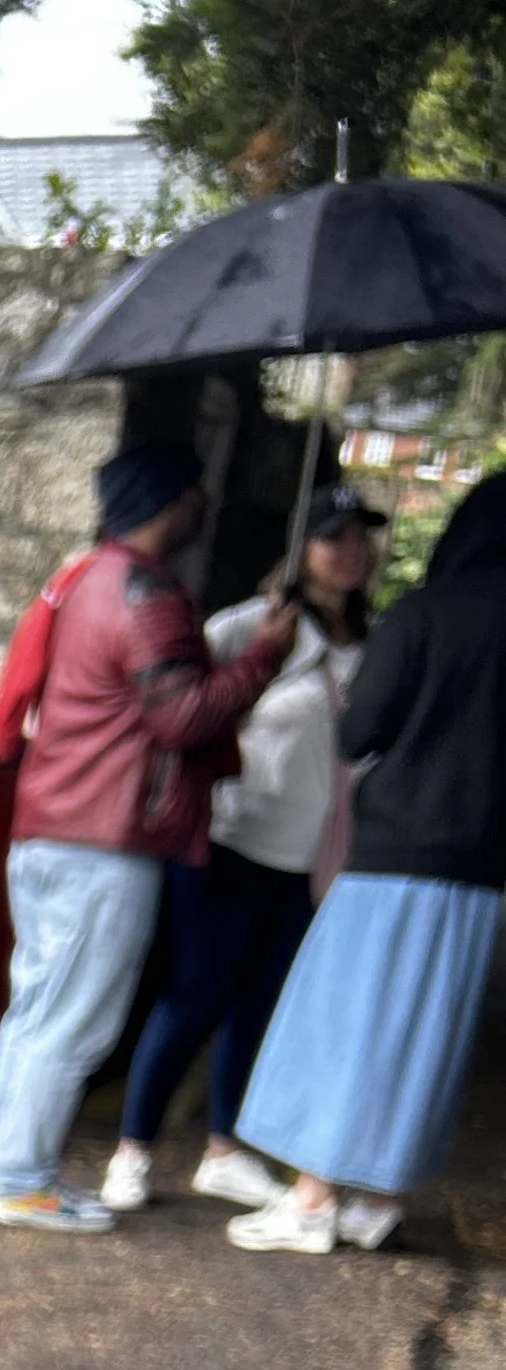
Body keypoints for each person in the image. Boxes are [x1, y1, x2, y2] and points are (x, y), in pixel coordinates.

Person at [0, 438, 297, 1234]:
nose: (208, 507)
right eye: (198, 492)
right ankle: (21, 1182)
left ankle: (13, 1169)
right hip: (104, 839)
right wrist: (265, 656)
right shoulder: (146, 595)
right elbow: (182, 716)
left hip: (54, 826)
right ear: (172, 501)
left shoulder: (88, 579)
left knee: (39, 1007)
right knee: (71, 1020)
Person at [223, 473, 506, 1252]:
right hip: (482, 864)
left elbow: (360, 735)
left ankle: (312, 1198)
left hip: (395, 851)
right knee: (427, 1031)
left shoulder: (424, 613)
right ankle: (380, 1199)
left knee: (350, 1018)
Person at [100, 486, 384, 1215]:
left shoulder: (374, 644)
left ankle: (225, 1148)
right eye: (333, 537)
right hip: (234, 841)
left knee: (262, 1006)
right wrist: (267, 656)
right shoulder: (248, 628)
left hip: (316, 862)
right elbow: (189, 713)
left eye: (361, 536)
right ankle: (134, 1149)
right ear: (300, 549)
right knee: (192, 998)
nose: (351, 551)